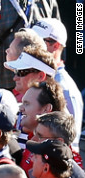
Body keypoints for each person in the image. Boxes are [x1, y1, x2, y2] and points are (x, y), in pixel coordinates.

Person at [30, 18, 82, 150]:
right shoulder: (39, 77)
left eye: (39, 42)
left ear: (56, 46)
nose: (32, 46)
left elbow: (70, 145)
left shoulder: (65, 88)